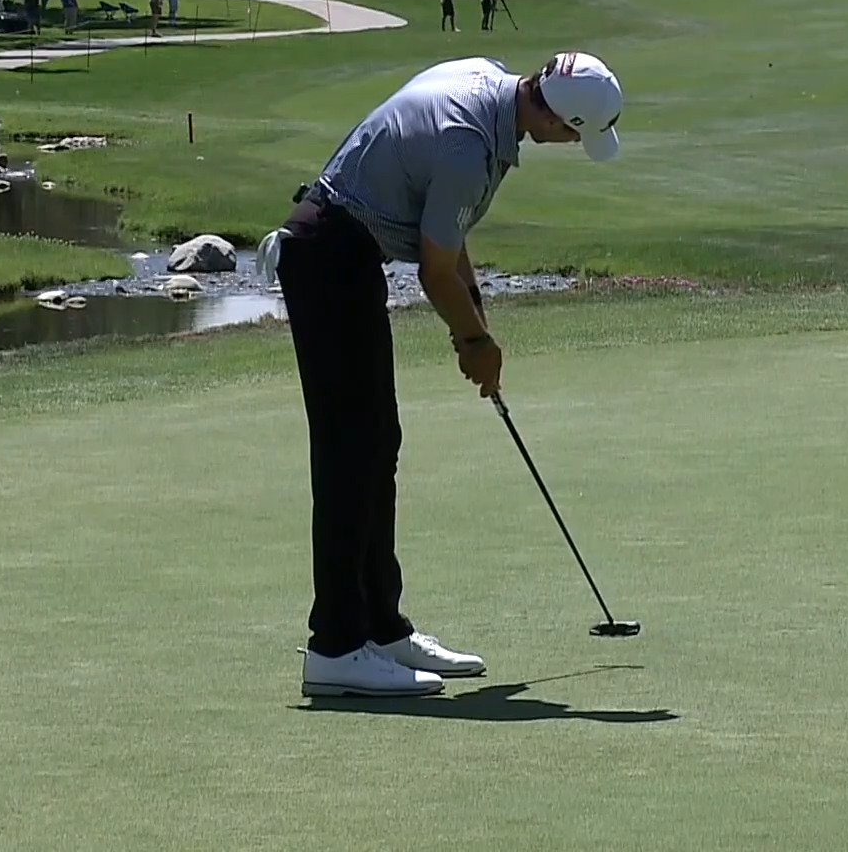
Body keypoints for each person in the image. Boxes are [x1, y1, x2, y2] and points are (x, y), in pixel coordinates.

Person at [254, 51, 626, 698]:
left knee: (377, 444)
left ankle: (381, 629)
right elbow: (432, 270)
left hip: (344, 252)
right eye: (575, 135)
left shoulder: (486, 83)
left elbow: (449, 241)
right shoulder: (468, 146)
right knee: (351, 450)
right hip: (327, 255)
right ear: (557, 120)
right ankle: (335, 647)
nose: (571, 145)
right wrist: (473, 341)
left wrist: (475, 321)